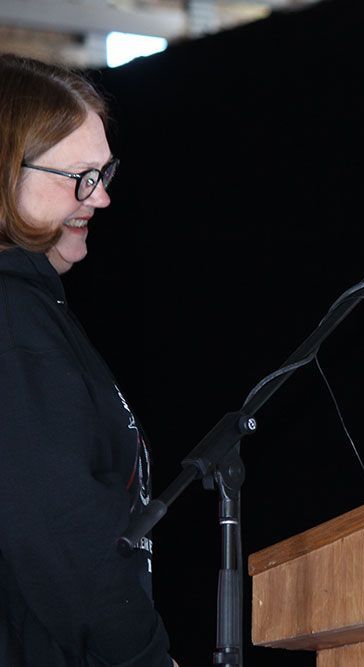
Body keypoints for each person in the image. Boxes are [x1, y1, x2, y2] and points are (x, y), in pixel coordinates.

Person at [0, 54, 176, 666]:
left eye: (104, 174)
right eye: (79, 177)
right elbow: (62, 535)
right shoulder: (11, 318)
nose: (99, 199)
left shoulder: (32, 307)